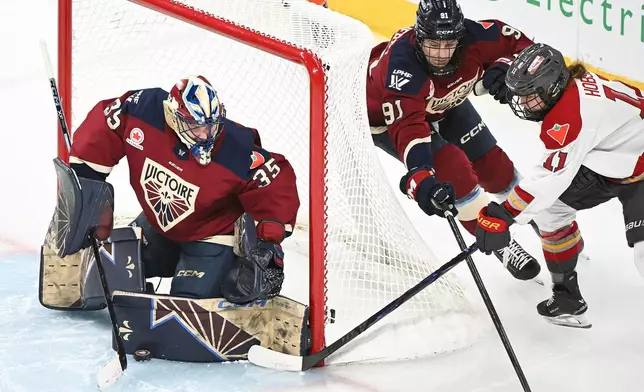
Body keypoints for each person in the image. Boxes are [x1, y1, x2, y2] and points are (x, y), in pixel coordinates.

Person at [51, 75, 300, 302]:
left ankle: (236, 268)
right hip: (160, 226)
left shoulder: (235, 148)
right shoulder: (144, 110)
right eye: (196, 126)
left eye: (211, 125)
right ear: (173, 115)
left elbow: (275, 179)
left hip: (212, 233)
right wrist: (87, 179)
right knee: (105, 270)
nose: (206, 134)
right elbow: (107, 123)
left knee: (189, 306)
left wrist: (268, 241)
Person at [366, 0, 540, 280]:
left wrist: (505, 65)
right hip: (388, 119)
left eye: (449, 44)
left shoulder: (478, 35)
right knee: (452, 168)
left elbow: (525, 48)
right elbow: (410, 130)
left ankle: (543, 219)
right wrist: (421, 176)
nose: (441, 54)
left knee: (495, 167)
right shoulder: (400, 71)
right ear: (418, 35)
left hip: (443, 103)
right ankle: (500, 243)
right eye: (433, 44)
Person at [475, 43, 644, 328]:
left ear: (550, 89)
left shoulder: (570, 117)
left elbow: (547, 181)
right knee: (551, 211)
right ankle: (567, 298)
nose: (523, 103)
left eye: (529, 96)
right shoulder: (569, 87)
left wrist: (503, 214)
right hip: (615, 158)